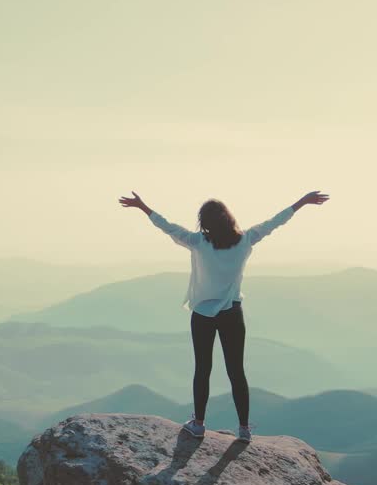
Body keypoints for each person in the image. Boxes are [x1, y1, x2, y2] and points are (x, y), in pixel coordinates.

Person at [117, 190, 330, 443]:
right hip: (232, 314)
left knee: (202, 369)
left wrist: (143, 207)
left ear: (204, 223)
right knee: (236, 371)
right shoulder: (246, 240)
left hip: (203, 315)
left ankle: (198, 424)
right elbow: (275, 222)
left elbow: (167, 227)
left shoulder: (197, 242)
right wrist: (301, 203)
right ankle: (244, 430)